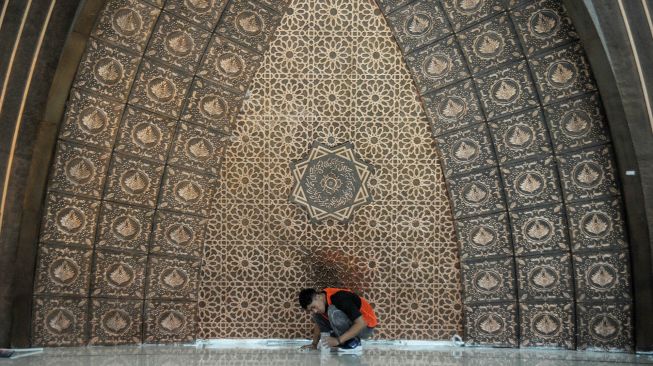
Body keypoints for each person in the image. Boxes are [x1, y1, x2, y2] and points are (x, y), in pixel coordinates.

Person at [298, 287, 378, 353]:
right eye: (310, 309)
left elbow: (361, 323)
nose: (314, 310)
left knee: (333, 312)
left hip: (366, 327)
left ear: (318, 296)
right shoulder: (322, 303)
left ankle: (354, 343)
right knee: (317, 315)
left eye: (313, 307)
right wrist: (314, 344)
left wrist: (338, 340)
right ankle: (343, 340)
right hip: (353, 325)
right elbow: (318, 324)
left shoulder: (339, 297)